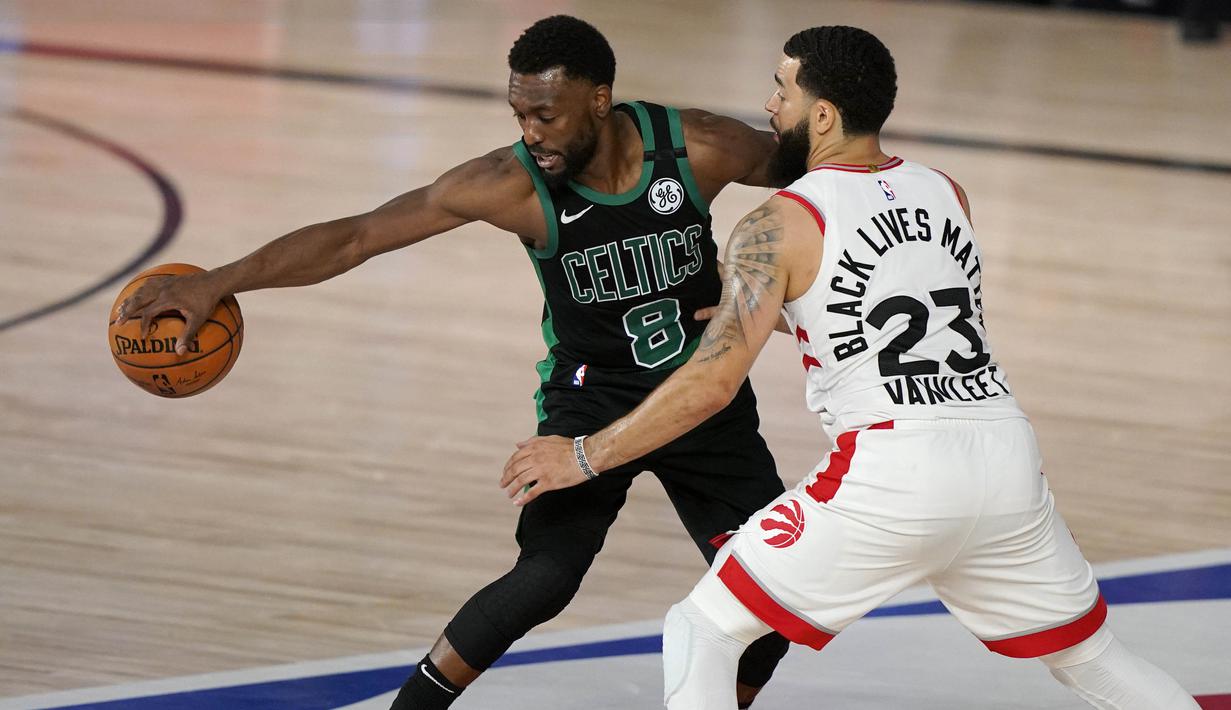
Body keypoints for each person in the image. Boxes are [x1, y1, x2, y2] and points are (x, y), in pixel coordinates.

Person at [501, 25, 1202, 710]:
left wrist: (586, 455)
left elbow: (711, 386)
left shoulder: (775, 224)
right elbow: (886, 305)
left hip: (894, 472)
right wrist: (773, 304)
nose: (769, 108)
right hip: (1004, 459)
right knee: (1092, 660)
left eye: (780, 90)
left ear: (823, 114)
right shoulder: (946, 190)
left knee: (703, 627)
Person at [113, 14, 792, 710]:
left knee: (772, 597)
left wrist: (774, 279)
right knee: (545, 578)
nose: (530, 132)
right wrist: (221, 279)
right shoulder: (513, 183)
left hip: (701, 394)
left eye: (546, 116)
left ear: (598, 99)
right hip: (591, 393)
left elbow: (830, 179)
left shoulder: (697, 147)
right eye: (519, 112)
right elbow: (355, 238)